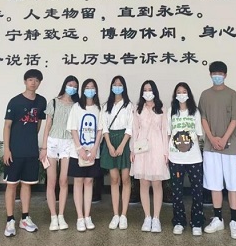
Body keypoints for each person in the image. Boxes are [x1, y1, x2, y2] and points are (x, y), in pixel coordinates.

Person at [198, 61, 236, 240]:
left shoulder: (232, 94)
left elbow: (235, 119)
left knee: (233, 185)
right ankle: (218, 219)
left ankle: (234, 221)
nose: (217, 76)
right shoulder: (205, 95)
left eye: (220, 73)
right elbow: (203, 118)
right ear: (210, 74)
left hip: (230, 147)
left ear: (225, 75)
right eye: (214, 73)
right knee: (214, 184)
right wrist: (211, 137)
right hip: (211, 147)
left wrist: (224, 139)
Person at [3, 69, 46, 237]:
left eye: (36, 80)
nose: (33, 83)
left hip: (31, 151)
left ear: (39, 83)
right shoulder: (14, 102)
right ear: (25, 81)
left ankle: (25, 218)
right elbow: (7, 126)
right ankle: (10, 220)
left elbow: (38, 123)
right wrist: (7, 149)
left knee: (27, 184)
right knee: (12, 185)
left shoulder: (41, 101)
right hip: (14, 151)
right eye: (30, 79)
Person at [39, 75, 79, 231]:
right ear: (64, 85)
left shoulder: (76, 105)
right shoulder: (54, 102)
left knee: (63, 180)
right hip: (52, 142)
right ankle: (53, 216)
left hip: (68, 142)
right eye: (70, 84)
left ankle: (61, 215)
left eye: (75, 86)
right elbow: (47, 126)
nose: (72, 88)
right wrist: (44, 147)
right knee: (51, 181)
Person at [130, 80, 170, 233]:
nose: (148, 92)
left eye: (150, 89)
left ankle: (156, 218)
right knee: (144, 183)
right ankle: (147, 217)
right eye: (145, 89)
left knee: (157, 183)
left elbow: (165, 131)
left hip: (158, 147)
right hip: (141, 149)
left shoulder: (162, 109)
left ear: (155, 91)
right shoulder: (137, 109)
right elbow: (135, 130)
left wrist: (166, 152)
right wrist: (132, 150)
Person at [168, 82, 205, 236]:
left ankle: (197, 222)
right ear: (175, 95)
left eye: (184, 92)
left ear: (188, 94)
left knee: (197, 191)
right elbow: (168, 133)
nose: (181, 94)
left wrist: (187, 144)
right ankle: (179, 221)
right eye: (179, 92)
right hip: (175, 158)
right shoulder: (171, 111)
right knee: (177, 192)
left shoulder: (194, 111)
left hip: (193, 158)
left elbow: (199, 134)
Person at [67, 78, 103, 232]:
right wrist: (79, 148)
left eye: (92, 87)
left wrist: (94, 149)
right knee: (78, 182)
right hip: (78, 152)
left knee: (89, 182)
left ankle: (88, 216)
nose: (90, 90)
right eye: (87, 87)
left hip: (93, 152)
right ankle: (80, 217)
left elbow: (100, 130)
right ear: (83, 90)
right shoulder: (76, 107)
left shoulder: (99, 108)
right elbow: (73, 128)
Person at [100, 75, 133, 230]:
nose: (117, 87)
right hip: (110, 142)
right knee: (114, 179)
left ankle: (124, 215)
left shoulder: (129, 106)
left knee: (125, 179)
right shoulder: (106, 106)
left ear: (124, 87)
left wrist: (121, 146)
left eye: (120, 84)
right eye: (115, 84)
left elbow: (130, 127)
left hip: (124, 142)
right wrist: (109, 145)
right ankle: (115, 214)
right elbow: (104, 127)